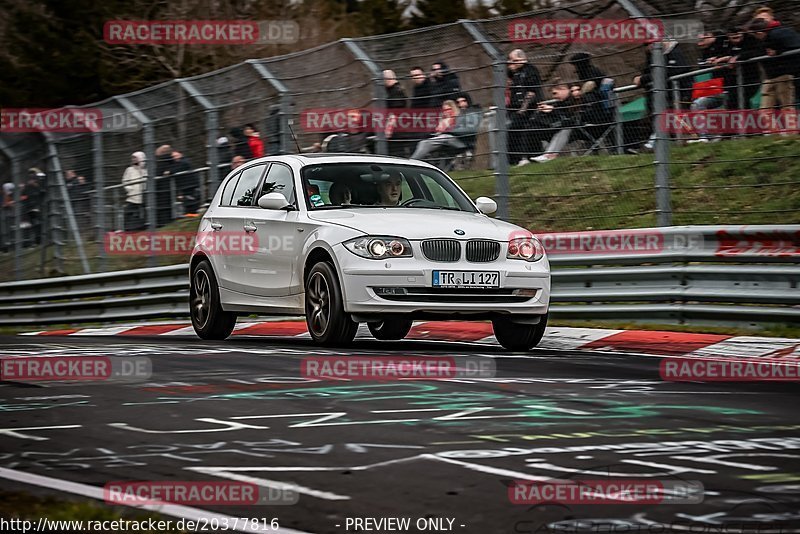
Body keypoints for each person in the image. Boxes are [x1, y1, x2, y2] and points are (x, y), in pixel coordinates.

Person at [749, 18, 800, 121]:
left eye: (755, 35)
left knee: (787, 106)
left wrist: (778, 51)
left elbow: (793, 46)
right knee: (770, 109)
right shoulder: (781, 30)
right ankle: (779, 133)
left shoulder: (775, 35)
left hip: (786, 72)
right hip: (775, 74)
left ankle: (792, 132)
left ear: (759, 33)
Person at [411, 99, 479, 168]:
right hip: (445, 140)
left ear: (454, 108)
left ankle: (412, 162)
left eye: (449, 109)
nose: (446, 112)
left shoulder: (461, 117)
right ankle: (413, 161)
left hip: (460, 141)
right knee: (423, 142)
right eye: (444, 110)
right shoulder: (444, 120)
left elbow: (464, 130)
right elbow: (438, 131)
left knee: (444, 137)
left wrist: (446, 129)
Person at [506, 48, 544, 165]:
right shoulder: (515, 73)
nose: (511, 63)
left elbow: (531, 91)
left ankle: (523, 158)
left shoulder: (530, 70)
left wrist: (523, 108)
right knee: (513, 130)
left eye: (514, 60)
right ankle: (516, 159)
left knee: (518, 129)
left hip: (528, 107)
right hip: (515, 106)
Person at [122, 152, 146, 231]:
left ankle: (141, 227)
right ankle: (127, 228)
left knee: (142, 212)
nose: (133, 160)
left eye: (135, 158)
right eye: (132, 158)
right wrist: (130, 189)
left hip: (143, 195)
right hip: (133, 195)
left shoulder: (145, 170)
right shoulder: (129, 170)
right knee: (128, 211)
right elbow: (125, 181)